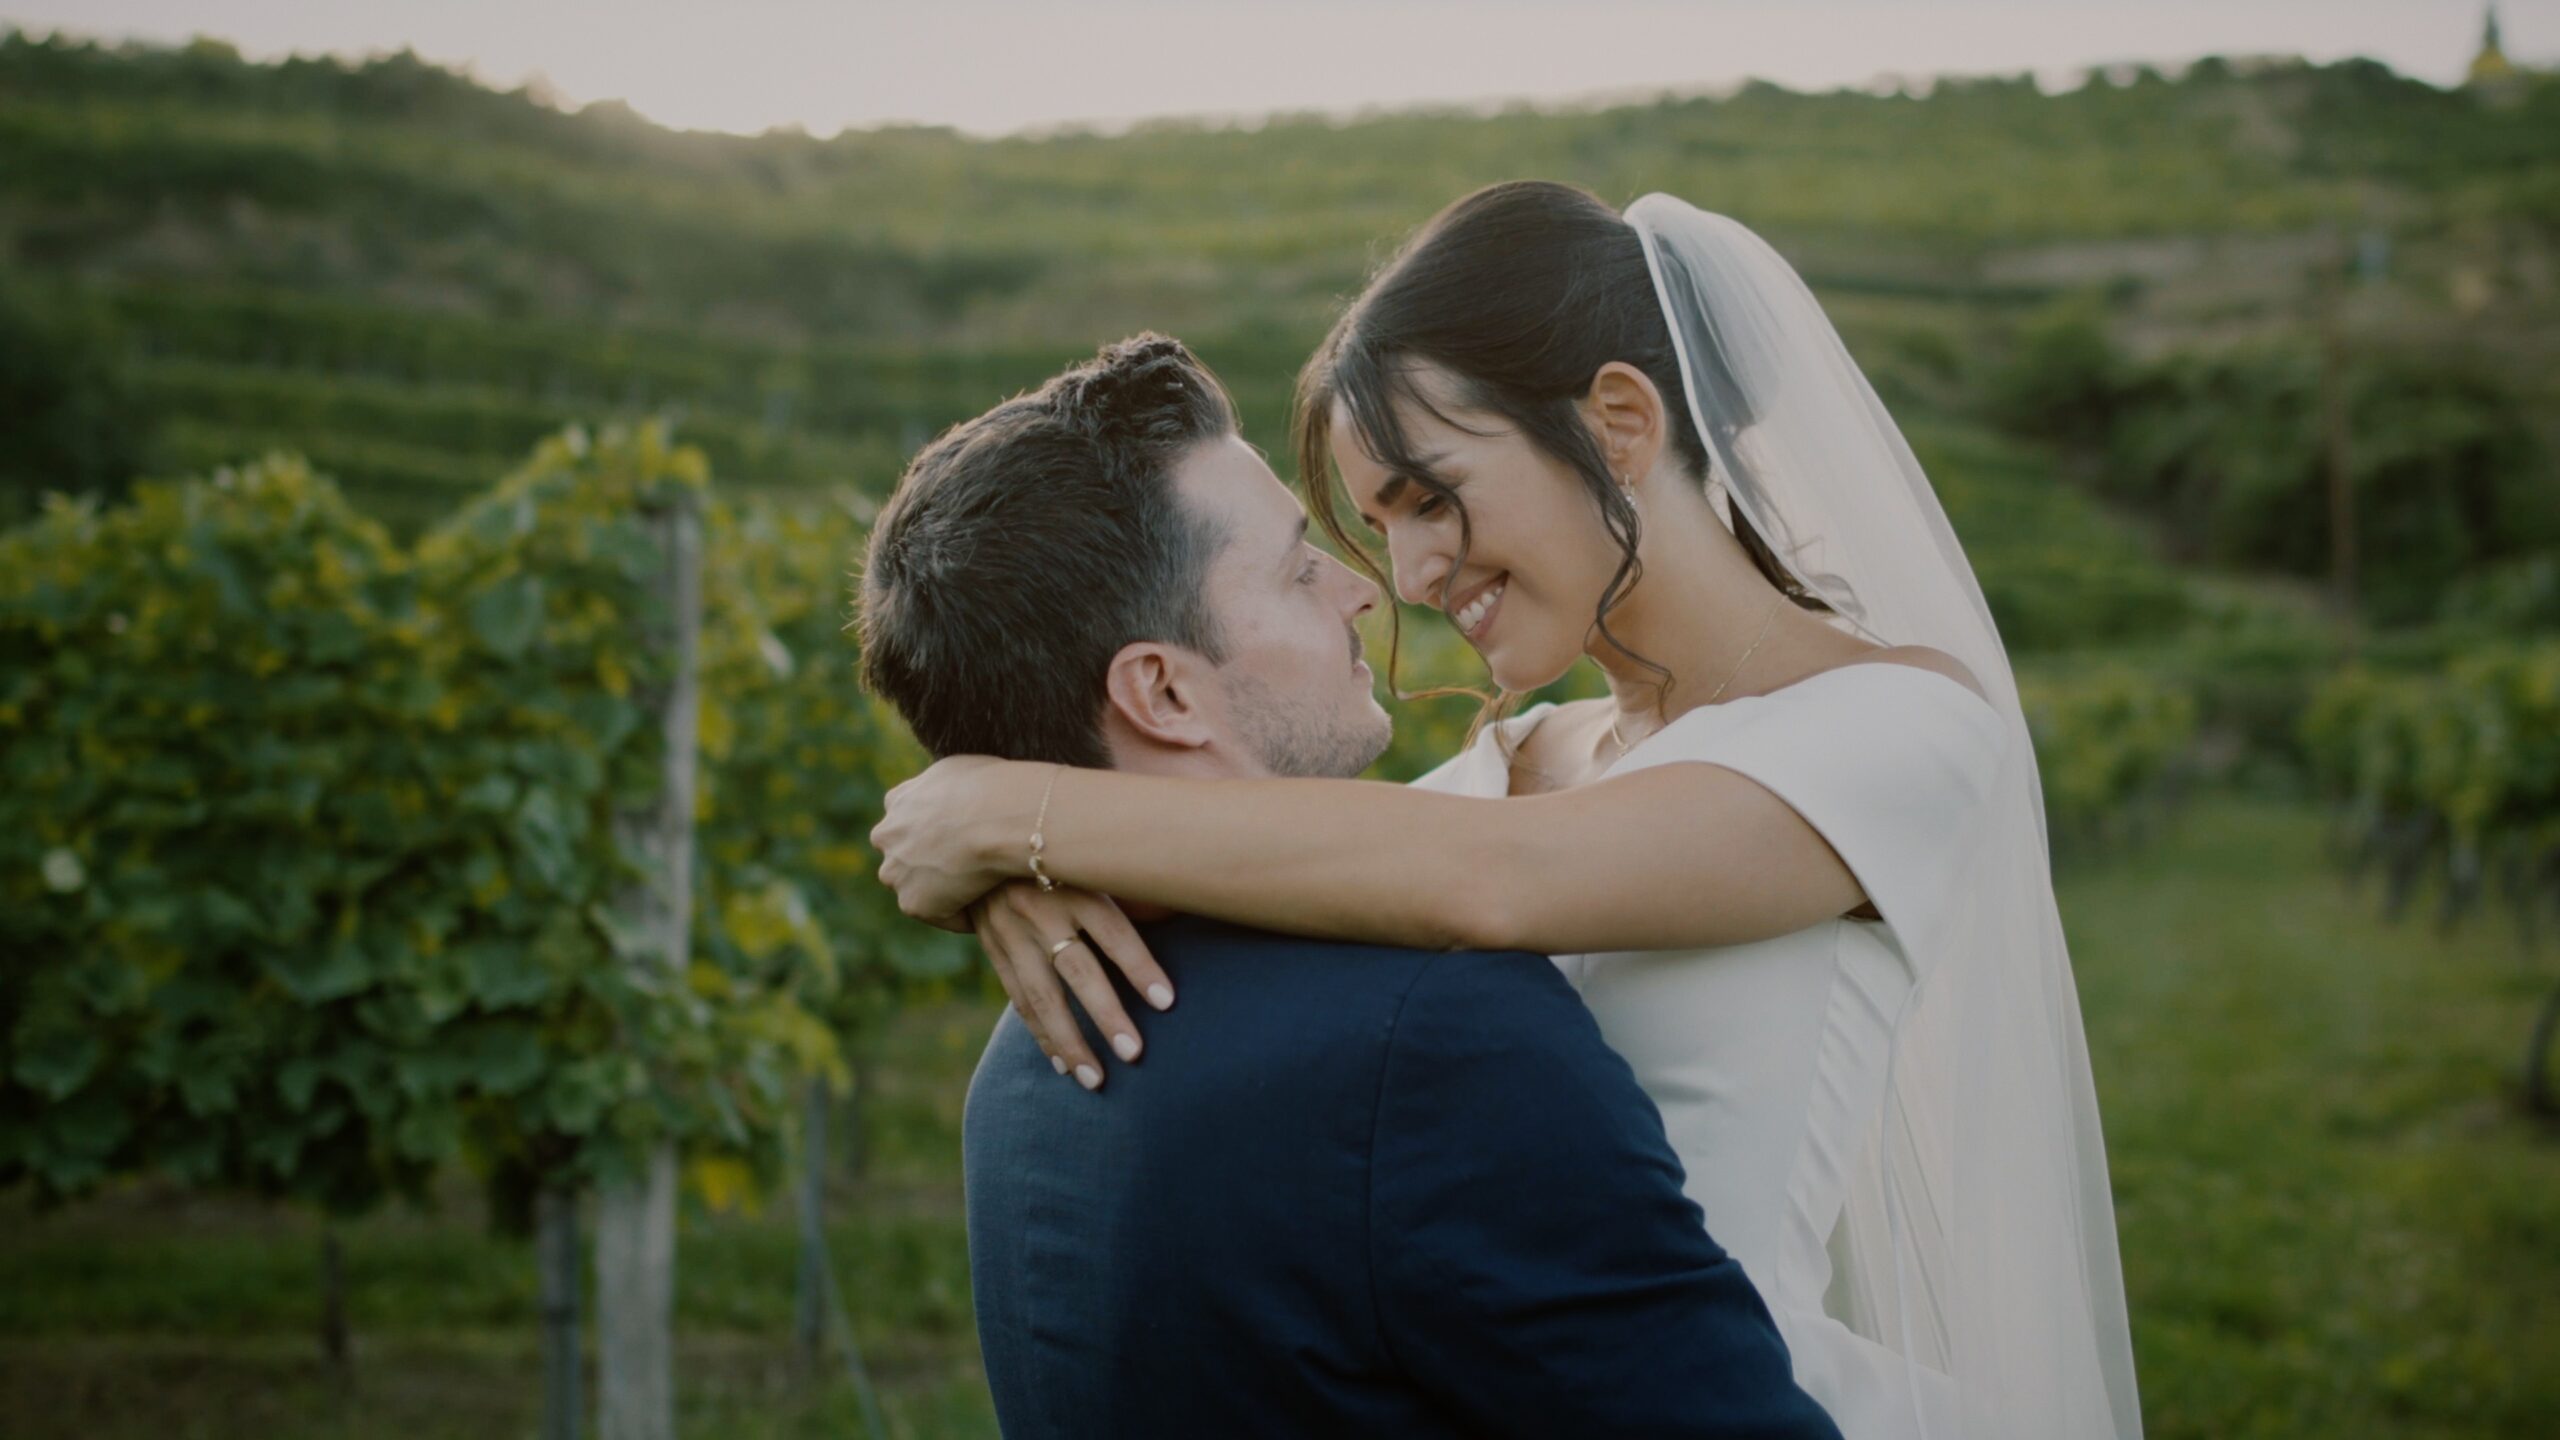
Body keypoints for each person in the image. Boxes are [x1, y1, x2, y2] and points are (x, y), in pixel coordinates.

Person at [869, 183, 2144, 1440]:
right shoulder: (1504, 771)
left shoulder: (1892, 727)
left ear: (1620, 421)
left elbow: (1495, 888)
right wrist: (1018, 871)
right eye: (1375, 526)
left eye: (1430, 496)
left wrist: (1015, 812)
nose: (1410, 576)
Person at [857, 334, 1843, 1439]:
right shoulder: (1437, 1040)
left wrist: (1012, 830)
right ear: (1163, 695)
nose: (1360, 592)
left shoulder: (1024, 1063)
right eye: (1295, 568)